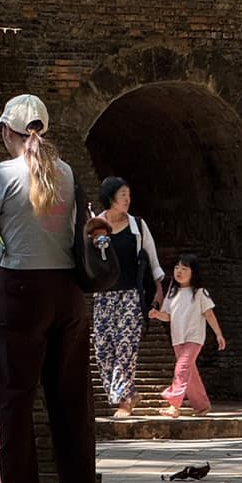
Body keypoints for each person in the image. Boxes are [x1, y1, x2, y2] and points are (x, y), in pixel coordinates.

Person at [0, 93, 96, 483]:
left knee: (13, 395)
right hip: (67, 291)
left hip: (21, 289)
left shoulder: (2, 175)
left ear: (8, 132)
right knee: (71, 395)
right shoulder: (67, 173)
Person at [91, 176, 166, 418]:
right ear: (110, 197)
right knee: (103, 349)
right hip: (103, 297)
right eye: (123, 195)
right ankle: (128, 393)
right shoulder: (95, 225)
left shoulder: (138, 226)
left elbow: (152, 259)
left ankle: (124, 402)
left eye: (129, 195)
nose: (127, 200)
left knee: (126, 346)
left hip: (131, 296)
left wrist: (158, 288)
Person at [148, 254, 227, 418]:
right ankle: (202, 405)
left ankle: (173, 404)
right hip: (178, 338)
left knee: (182, 368)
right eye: (177, 268)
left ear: (193, 272)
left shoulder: (199, 293)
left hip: (194, 338)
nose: (179, 271)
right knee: (190, 373)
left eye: (184, 268)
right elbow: (168, 316)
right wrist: (156, 314)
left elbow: (209, 314)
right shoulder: (172, 294)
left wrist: (218, 334)